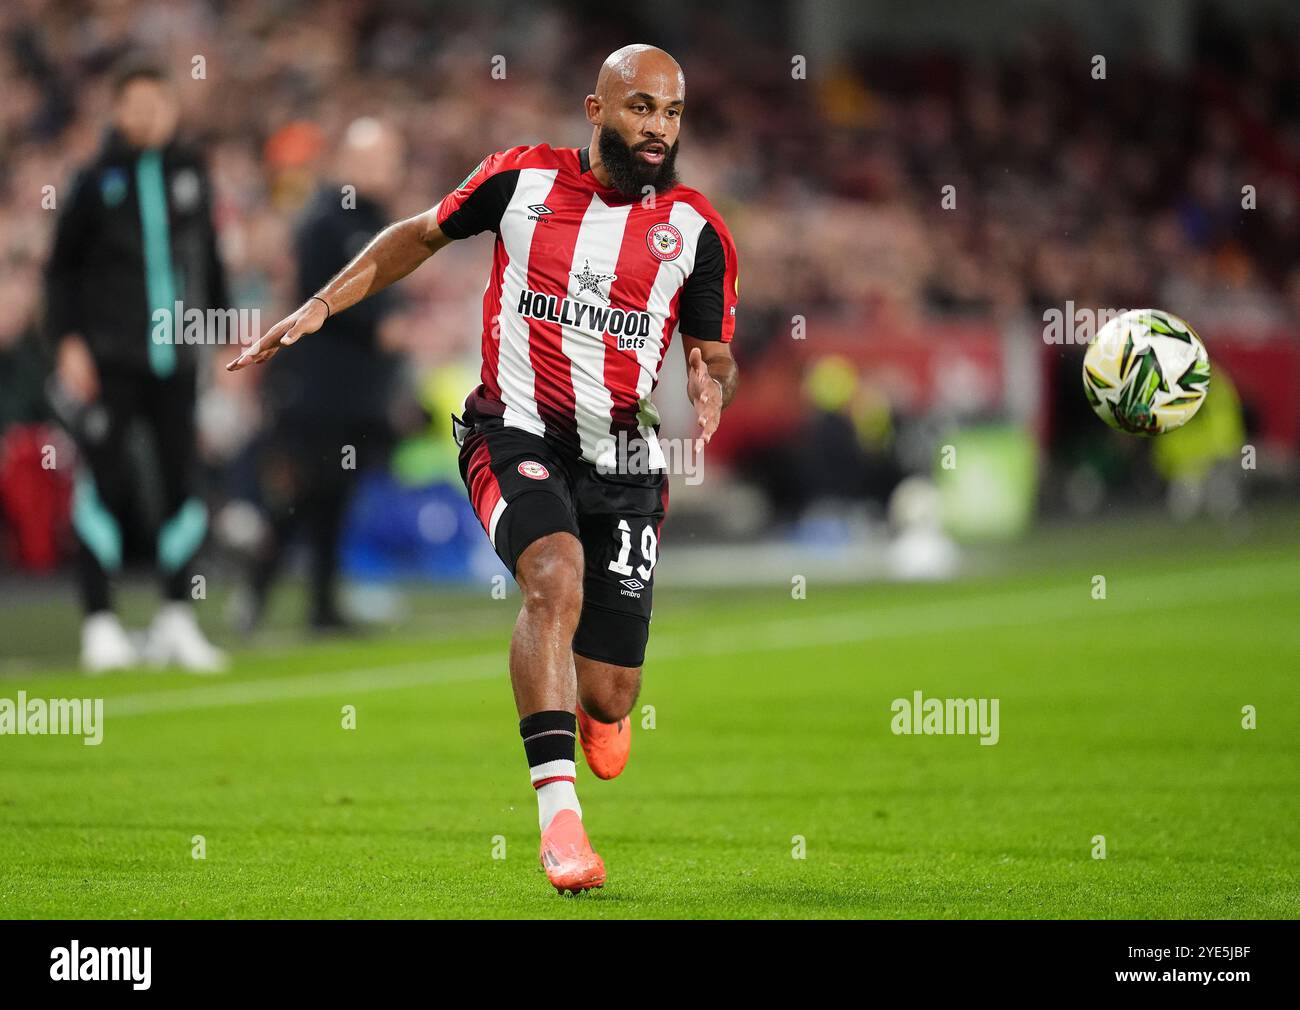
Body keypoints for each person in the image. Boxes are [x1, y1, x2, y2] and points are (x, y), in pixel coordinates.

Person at [229, 45, 739, 894]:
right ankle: (559, 823)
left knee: (612, 696)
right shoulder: (522, 180)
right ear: (596, 108)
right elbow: (418, 236)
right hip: (514, 431)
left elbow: (714, 352)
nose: (657, 128)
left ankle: (591, 706)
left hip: (622, 454)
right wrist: (323, 303)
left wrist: (708, 377)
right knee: (552, 576)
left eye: (673, 112)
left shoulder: (694, 229)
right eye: (641, 107)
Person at [44, 57, 228, 674]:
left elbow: (211, 260)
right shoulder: (94, 180)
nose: (149, 115)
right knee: (105, 481)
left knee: (182, 481)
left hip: (178, 356)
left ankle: (177, 617)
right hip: (109, 359)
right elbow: (61, 271)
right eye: (138, 105)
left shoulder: (192, 173)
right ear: (119, 110)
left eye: (160, 104)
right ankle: (99, 622)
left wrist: (224, 334)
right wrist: (69, 341)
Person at [237, 118, 406, 632]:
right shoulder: (328, 221)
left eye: (387, 159)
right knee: (304, 494)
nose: (382, 170)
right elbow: (320, 297)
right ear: (347, 163)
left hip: (357, 391)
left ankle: (320, 605)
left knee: (334, 499)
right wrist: (381, 324)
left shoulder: (378, 218)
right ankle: (257, 591)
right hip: (319, 387)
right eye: (372, 159)